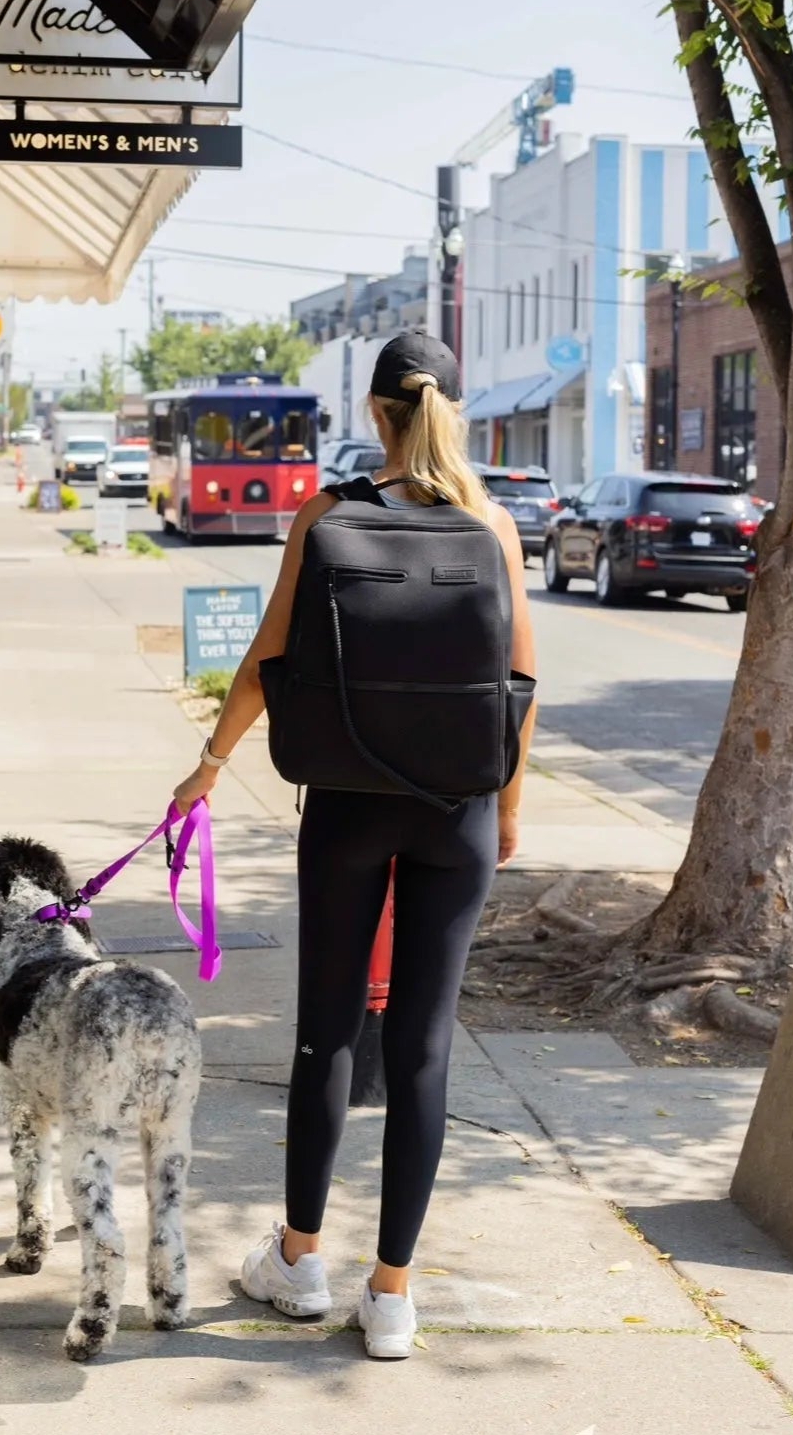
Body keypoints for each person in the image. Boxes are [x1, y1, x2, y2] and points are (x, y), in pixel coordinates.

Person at [172, 330, 537, 1361]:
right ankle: (393, 1295)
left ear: (375, 412)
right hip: (456, 811)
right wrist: (504, 813)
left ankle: (297, 1259)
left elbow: (265, 657)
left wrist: (209, 763)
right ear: (453, 412)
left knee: (325, 1032)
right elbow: (520, 689)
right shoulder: (495, 525)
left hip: (343, 801)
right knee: (423, 1047)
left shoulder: (328, 514)